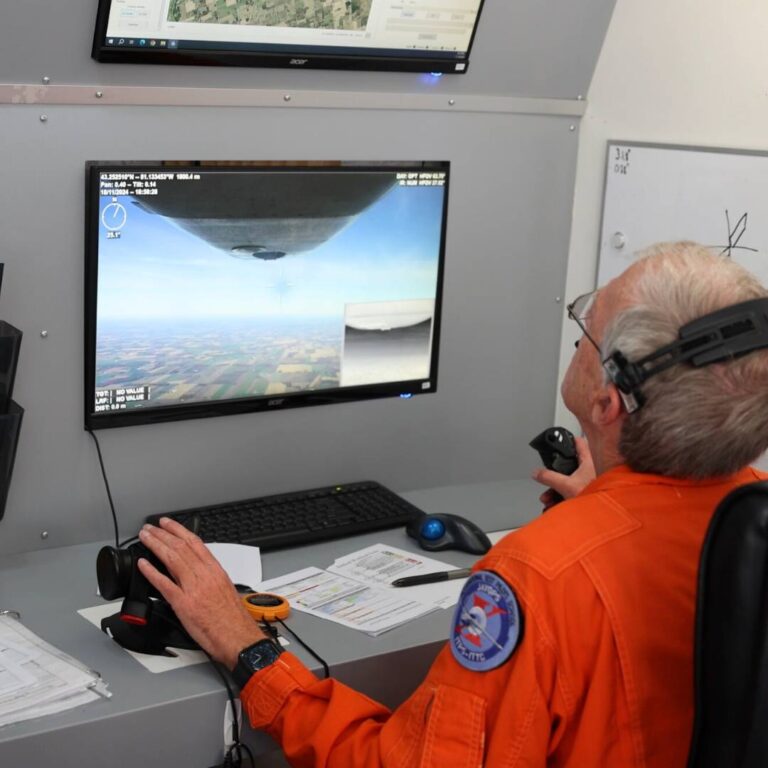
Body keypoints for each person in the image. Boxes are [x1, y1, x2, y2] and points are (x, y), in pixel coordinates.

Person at [138, 241, 768, 767]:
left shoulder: (534, 579)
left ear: (606, 403)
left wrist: (249, 651)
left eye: (585, 326)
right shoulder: (751, 526)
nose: (575, 338)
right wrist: (600, 513)